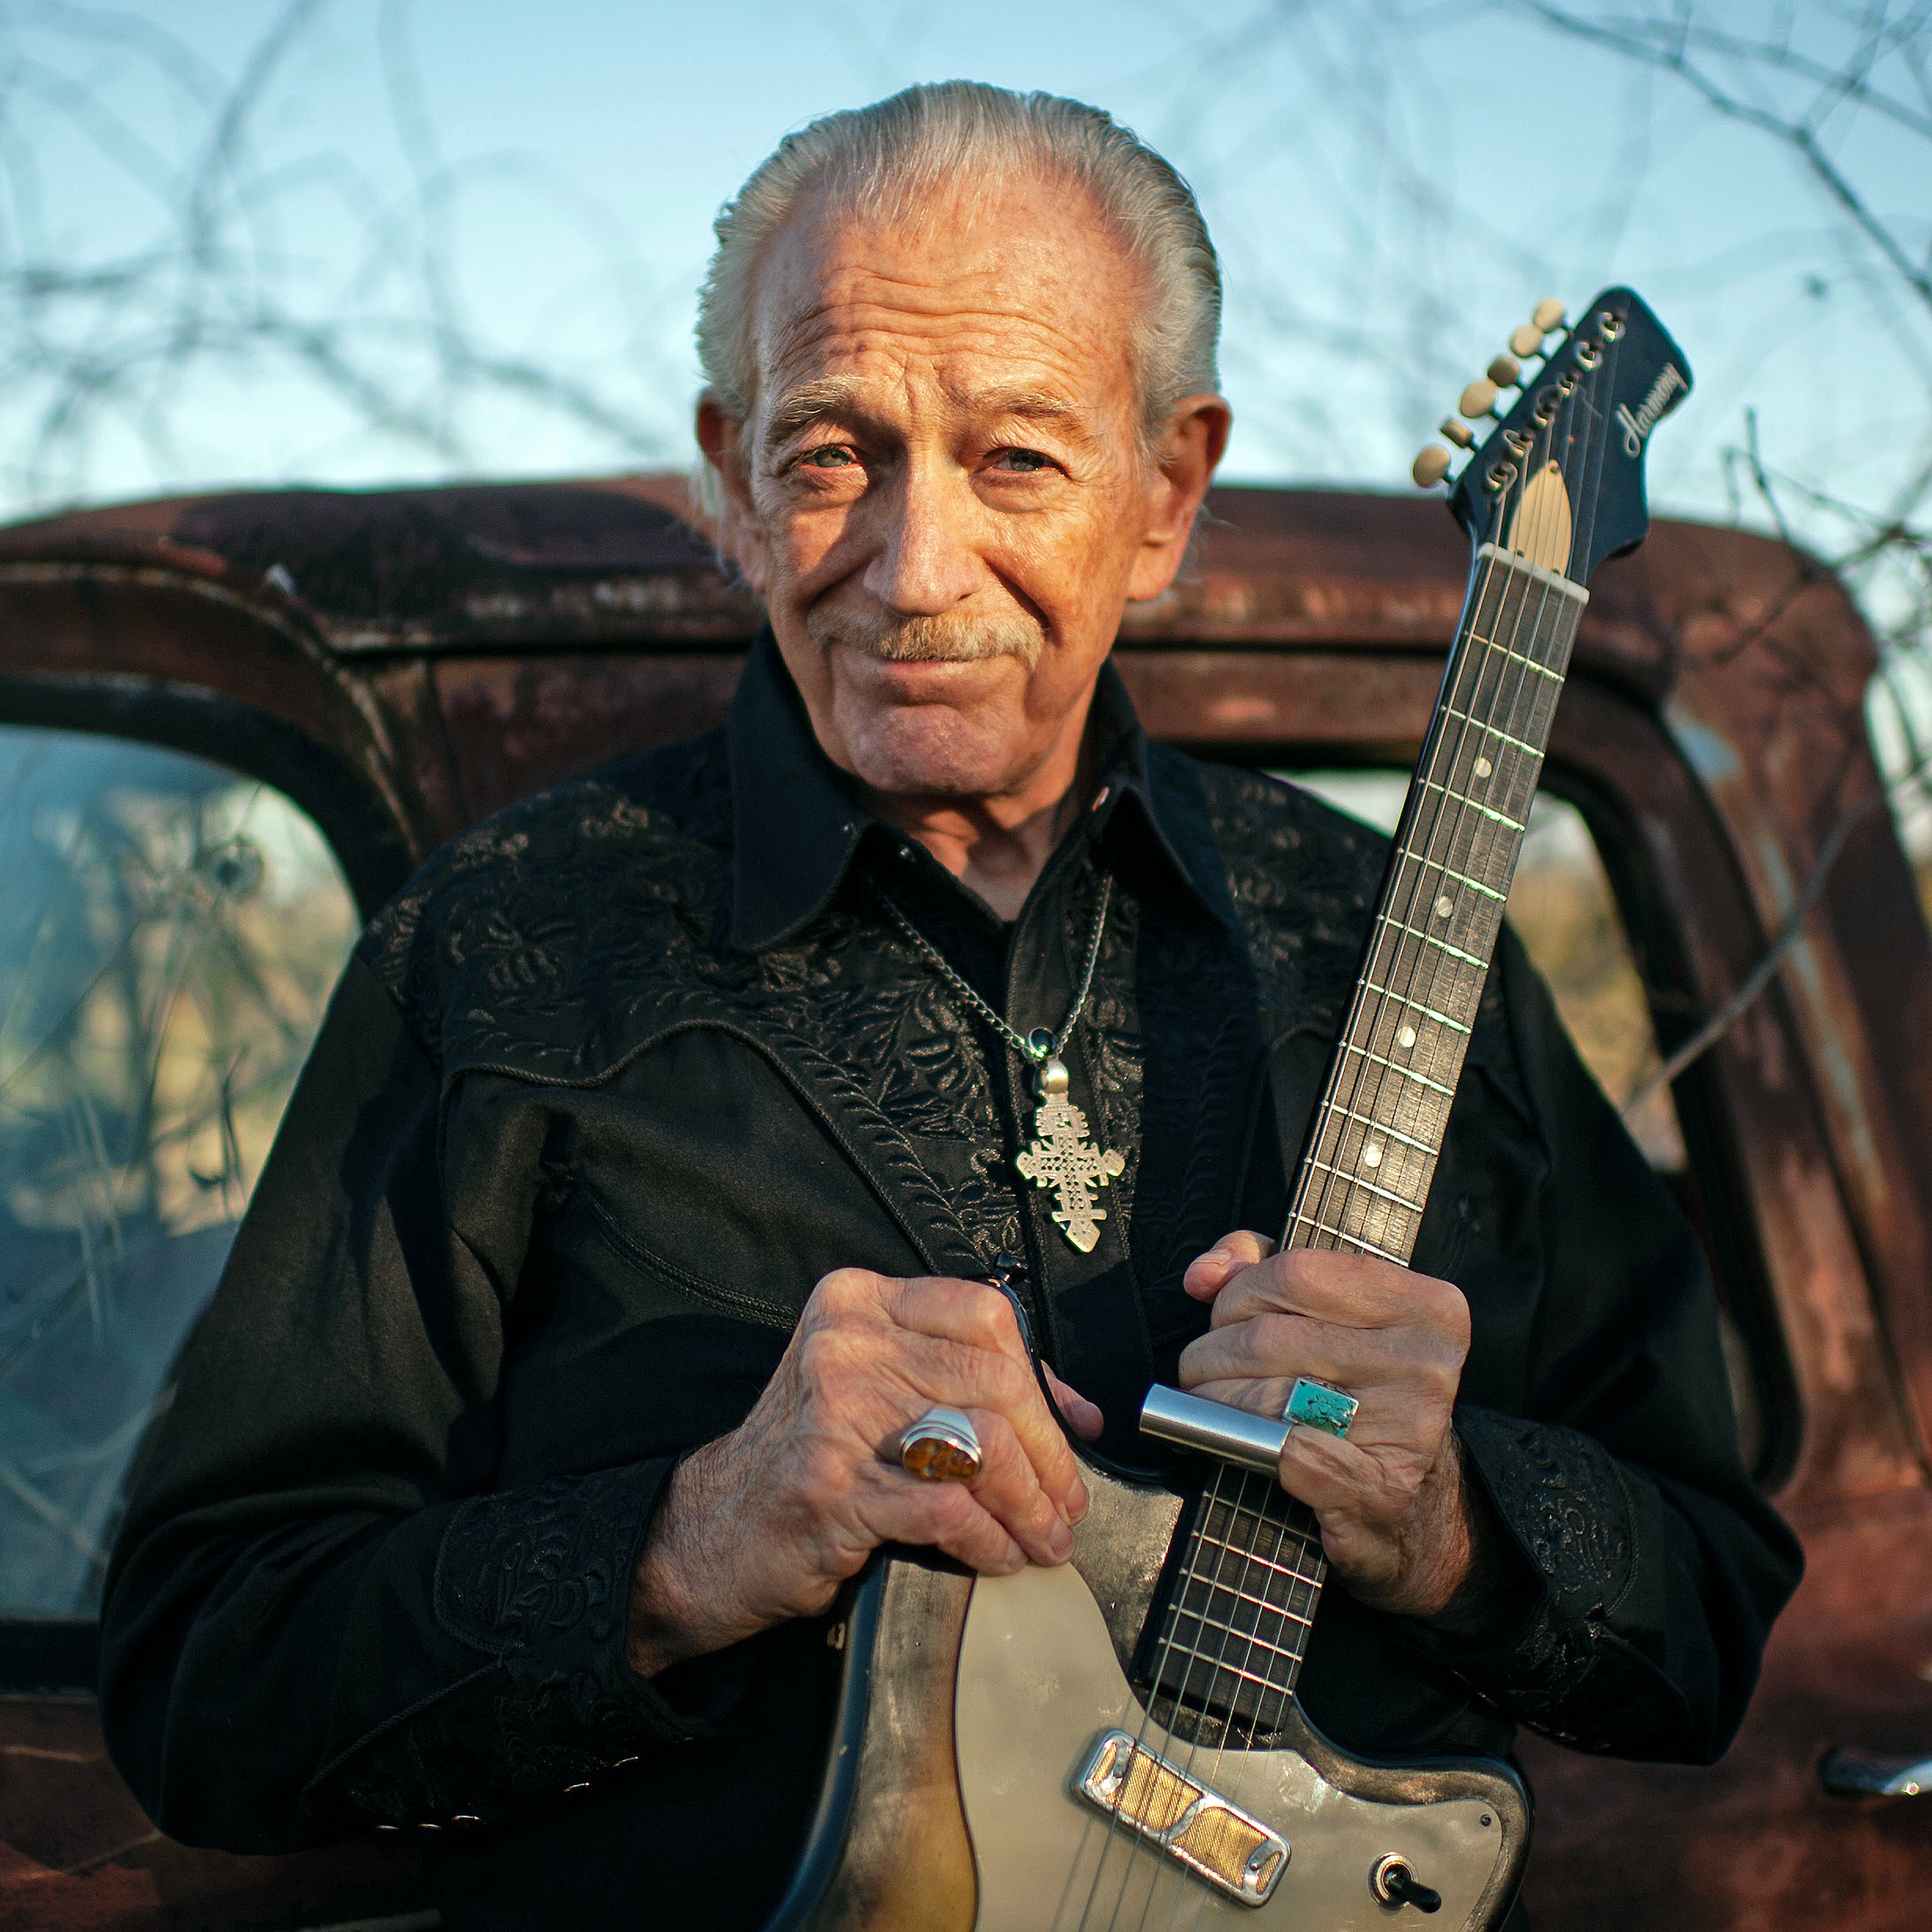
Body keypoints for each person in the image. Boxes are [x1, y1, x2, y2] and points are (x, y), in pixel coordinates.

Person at [99, 81, 1800, 1932]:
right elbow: (207, 1676)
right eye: (834, 451)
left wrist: (1451, 1520)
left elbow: (1711, 1612)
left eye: (1017, 460)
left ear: (1166, 495)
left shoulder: (1384, 931)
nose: (914, 572)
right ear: (731, 481)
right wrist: (688, 1542)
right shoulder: (501, 946)